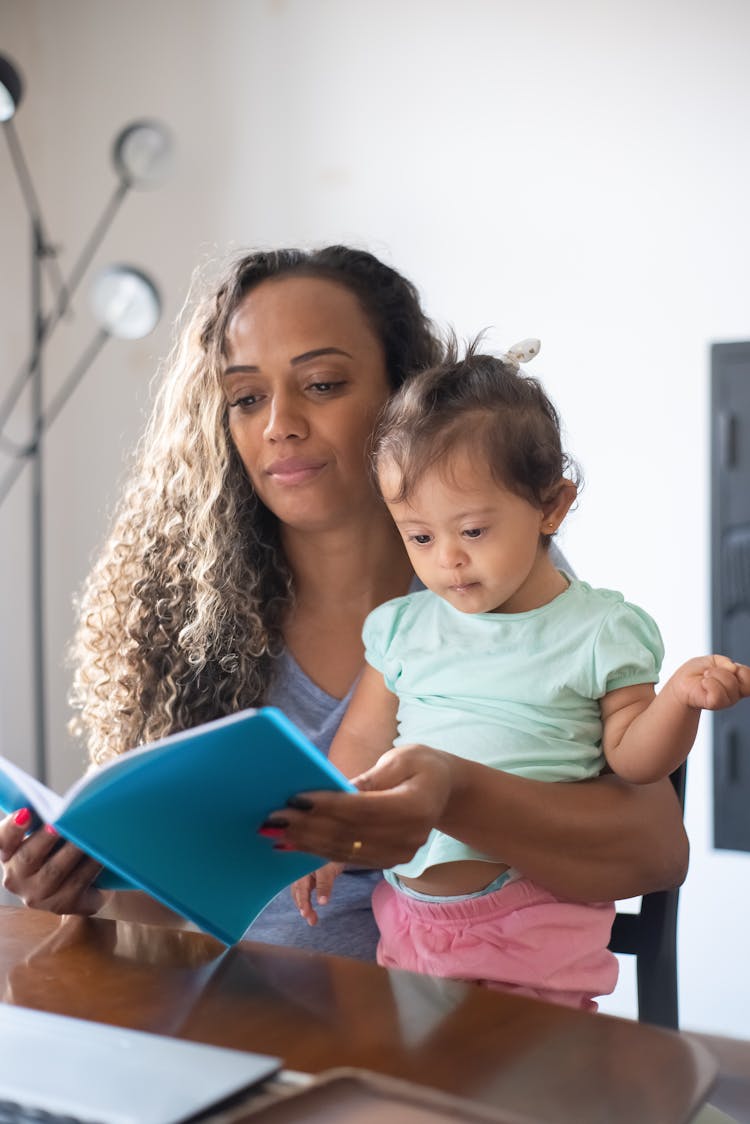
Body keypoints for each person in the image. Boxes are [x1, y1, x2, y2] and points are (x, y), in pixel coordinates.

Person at [0, 246, 689, 962]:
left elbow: (656, 850)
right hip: (231, 1016)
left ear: (402, 397)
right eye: (245, 398)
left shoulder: (500, 585)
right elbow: (166, 907)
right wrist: (84, 891)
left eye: (323, 383)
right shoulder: (189, 612)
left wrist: (451, 795)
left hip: (452, 1015)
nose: (279, 424)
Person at [288, 340, 750, 1007]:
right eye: (419, 536)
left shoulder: (598, 630)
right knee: (423, 1093)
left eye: (472, 531)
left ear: (551, 507)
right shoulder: (402, 629)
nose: (446, 559)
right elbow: (360, 744)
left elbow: (636, 761)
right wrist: (331, 835)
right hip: (409, 919)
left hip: (533, 921)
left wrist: (679, 698)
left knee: (529, 1088)